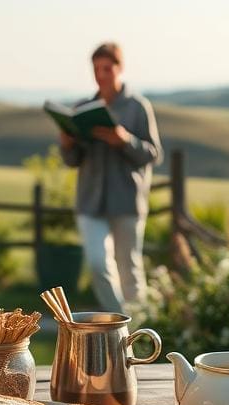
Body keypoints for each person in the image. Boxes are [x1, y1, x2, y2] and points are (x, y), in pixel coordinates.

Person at [58, 42, 162, 313]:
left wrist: (124, 140)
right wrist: (67, 143)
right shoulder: (84, 107)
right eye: (96, 69)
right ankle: (122, 328)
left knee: (129, 270)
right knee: (96, 263)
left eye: (107, 68)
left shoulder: (137, 107)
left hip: (126, 200)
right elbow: (71, 161)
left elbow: (152, 154)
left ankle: (141, 334)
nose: (101, 74)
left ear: (120, 68)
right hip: (90, 200)